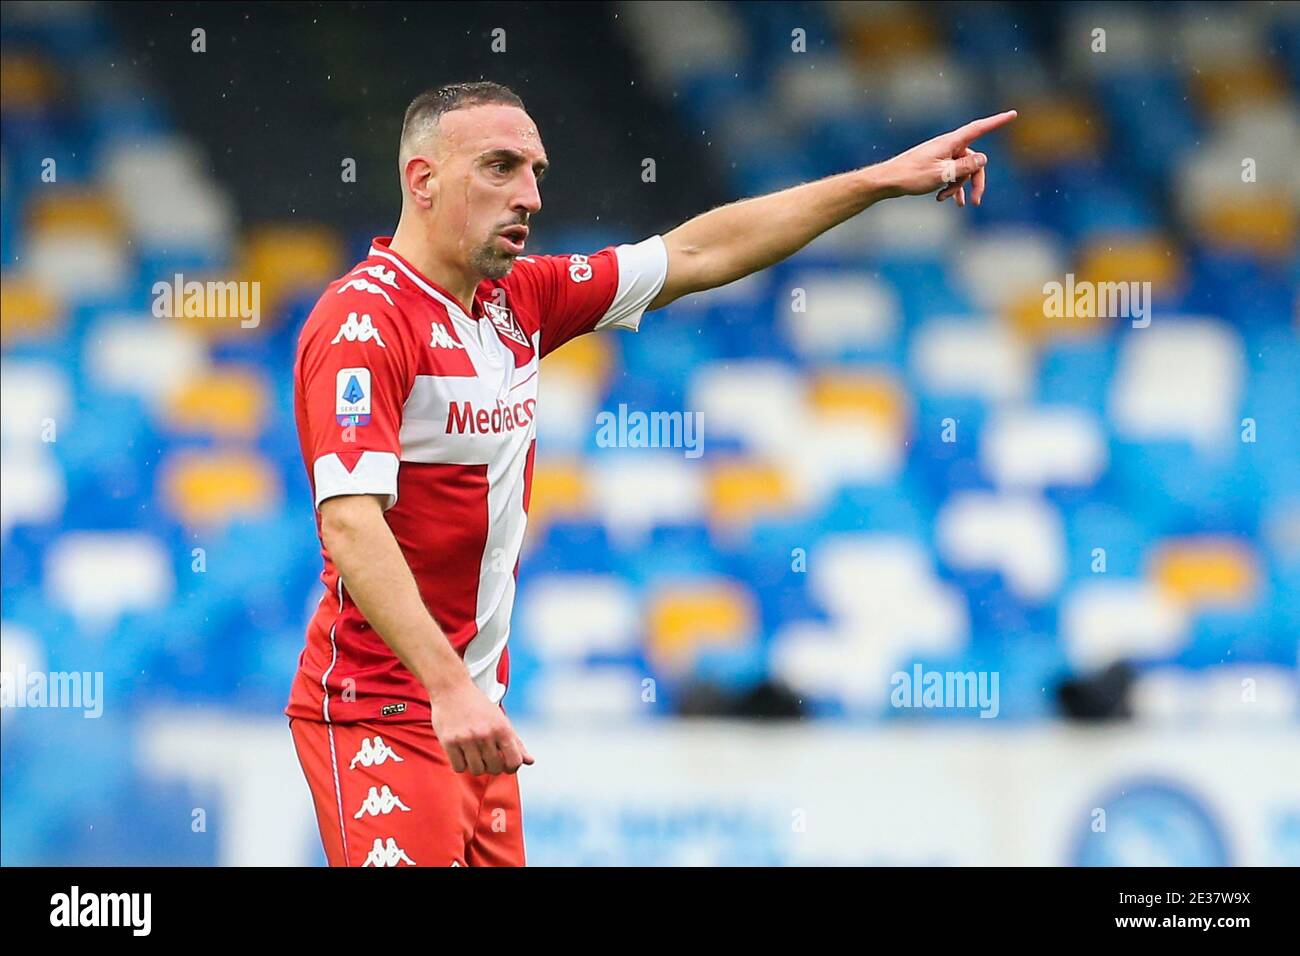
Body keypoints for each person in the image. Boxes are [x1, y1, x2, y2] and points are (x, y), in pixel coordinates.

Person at [288, 80, 1016, 866]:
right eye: (500, 167)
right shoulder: (364, 321)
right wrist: (448, 687)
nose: (529, 194)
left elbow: (702, 251)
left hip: (469, 718)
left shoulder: (517, 303)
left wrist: (875, 182)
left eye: (535, 171)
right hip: (382, 713)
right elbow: (350, 520)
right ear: (423, 180)